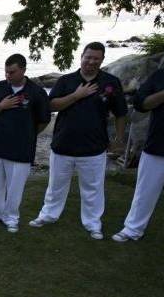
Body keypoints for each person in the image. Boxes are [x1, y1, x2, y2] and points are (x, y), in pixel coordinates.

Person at [29, 42, 127, 239]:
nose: (91, 62)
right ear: (81, 56)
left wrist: (119, 138)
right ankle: (48, 215)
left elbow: (121, 113)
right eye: (88, 57)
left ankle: (93, 223)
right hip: (63, 144)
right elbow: (51, 105)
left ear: (101, 60)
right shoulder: (66, 81)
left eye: (96, 59)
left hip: (94, 147)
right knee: (56, 185)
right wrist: (76, 95)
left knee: (93, 188)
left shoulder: (110, 82)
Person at [0, 54, 51, 233]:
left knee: (15, 187)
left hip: (21, 149)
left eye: (12, 72)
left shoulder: (36, 92)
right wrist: (1, 106)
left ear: (23, 70)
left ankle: (11, 218)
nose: (8, 76)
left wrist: (29, 135)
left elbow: (44, 119)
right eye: (6, 72)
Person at [112, 67, 164, 242]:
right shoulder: (159, 75)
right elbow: (140, 103)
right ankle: (133, 229)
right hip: (158, 144)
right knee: (145, 190)